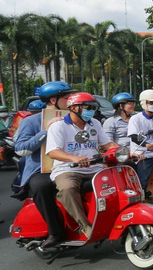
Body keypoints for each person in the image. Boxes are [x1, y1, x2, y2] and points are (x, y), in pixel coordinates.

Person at [47, 92, 118, 239]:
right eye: (87, 107)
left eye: (92, 107)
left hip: (94, 167)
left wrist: (123, 151)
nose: (90, 111)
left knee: (118, 180)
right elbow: (53, 152)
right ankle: (84, 225)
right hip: (67, 169)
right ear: (74, 108)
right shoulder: (59, 126)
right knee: (67, 189)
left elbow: (108, 144)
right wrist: (74, 158)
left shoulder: (95, 123)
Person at [13, 81, 74, 248]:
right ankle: (56, 232)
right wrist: (45, 131)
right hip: (42, 169)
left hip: (70, 166)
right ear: (53, 100)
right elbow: (20, 149)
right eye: (67, 98)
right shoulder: (31, 121)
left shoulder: (72, 119)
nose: (70, 101)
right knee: (41, 187)